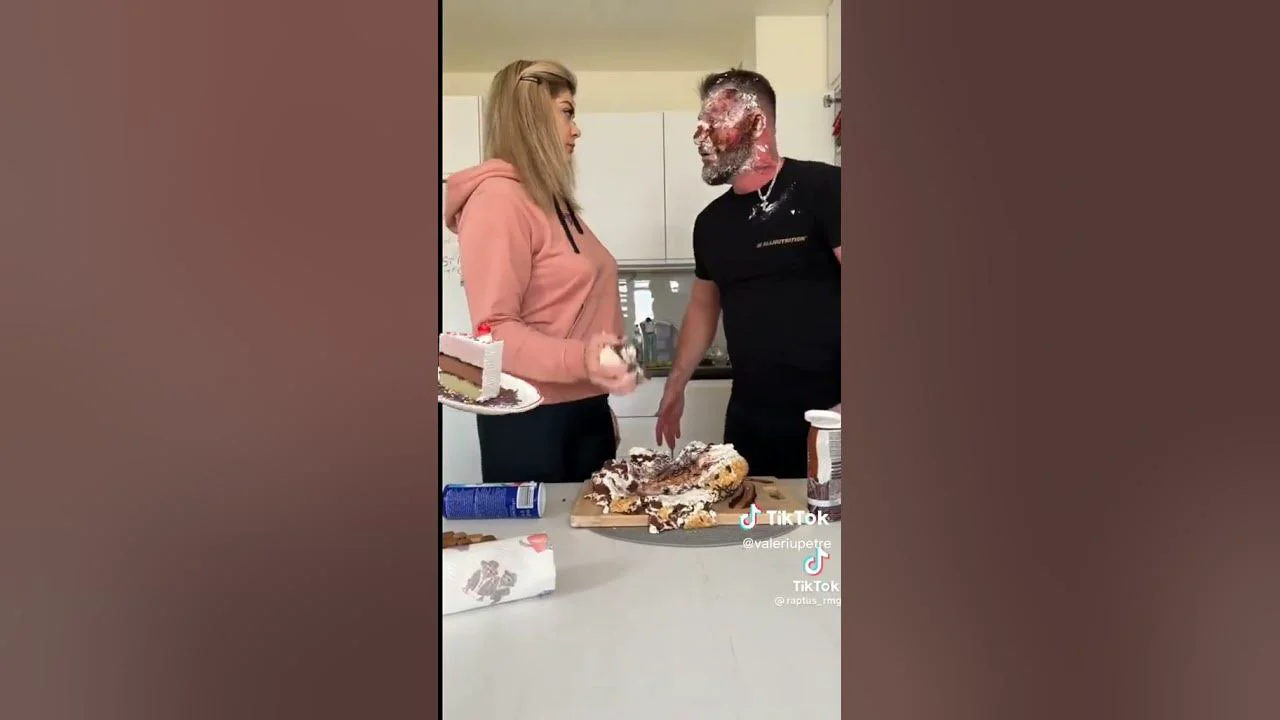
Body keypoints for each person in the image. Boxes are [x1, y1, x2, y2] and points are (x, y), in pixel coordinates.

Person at [445, 60, 636, 484]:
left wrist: (596, 403)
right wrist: (588, 361)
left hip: (580, 413)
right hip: (533, 422)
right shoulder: (498, 200)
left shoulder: (553, 204)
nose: (576, 129)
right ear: (532, 116)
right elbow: (495, 332)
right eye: (567, 112)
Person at [654, 69, 841, 479]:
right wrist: (675, 385)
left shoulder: (826, 189)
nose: (699, 136)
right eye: (700, 122)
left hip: (831, 417)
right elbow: (703, 308)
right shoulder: (711, 223)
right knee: (751, 518)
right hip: (750, 422)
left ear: (757, 122)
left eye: (715, 121)